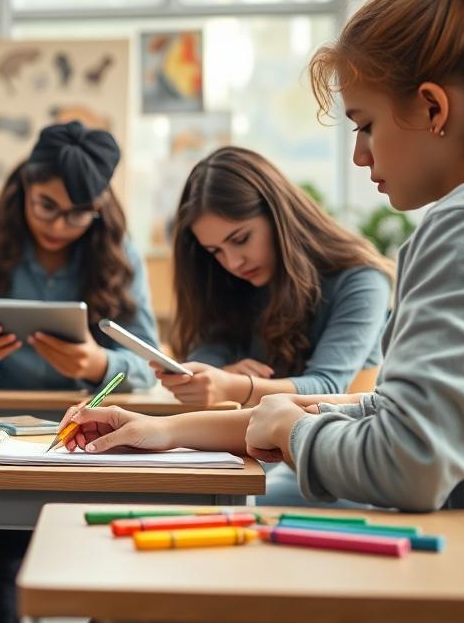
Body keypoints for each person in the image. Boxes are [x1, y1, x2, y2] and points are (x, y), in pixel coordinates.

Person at [64, 0, 464, 515]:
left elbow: (409, 462)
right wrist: (161, 429)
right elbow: (387, 413)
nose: (360, 153)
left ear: (432, 108)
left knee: (135, 597)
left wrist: (289, 430)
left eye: (366, 125)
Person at [0, 121, 158, 623]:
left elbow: (147, 366)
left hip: (85, 445)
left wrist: (99, 364)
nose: (59, 225)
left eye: (77, 214)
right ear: (25, 183)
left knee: (135, 551)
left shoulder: (117, 250)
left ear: (99, 207)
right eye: (46, 205)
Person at [165, 146, 394, 506]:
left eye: (240, 239)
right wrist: (217, 372)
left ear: (278, 216)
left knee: (205, 502)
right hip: (253, 453)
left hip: (331, 462)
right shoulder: (239, 281)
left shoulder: (360, 281)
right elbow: (208, 348)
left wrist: (237, 386)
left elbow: (327, 384)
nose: (233, 261)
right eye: (215, 251)